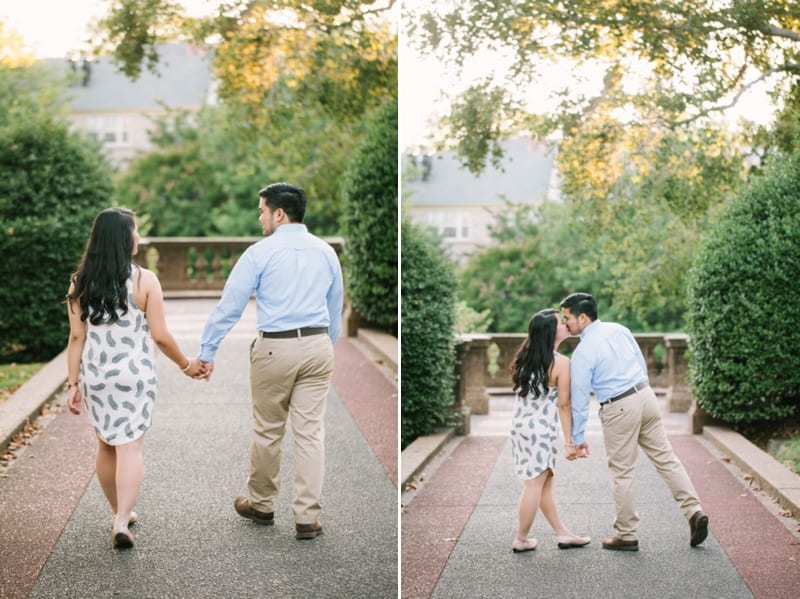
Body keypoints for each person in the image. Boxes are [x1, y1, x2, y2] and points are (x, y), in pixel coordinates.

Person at [196, 182, 343, 540]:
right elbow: (335, 306)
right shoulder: (326, 252)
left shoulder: (259, 253)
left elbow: (229, 306)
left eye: (262, 210)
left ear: (279, 213)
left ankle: (261, 504)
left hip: (275, 348)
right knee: (310, 434)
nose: (259, 216)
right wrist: (325, 345)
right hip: (317, 345)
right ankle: (307, 517)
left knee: (268, 429)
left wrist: (207, 351)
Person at [66, 208, 204, 549]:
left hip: (97, 377)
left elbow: (76, 338)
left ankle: (119, 513)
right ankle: (121, 519)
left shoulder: (79, 282)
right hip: (135, 377)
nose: (138, 237)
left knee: (106, 444)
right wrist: (186, 364)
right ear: (123, 238)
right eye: (135, 231)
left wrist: (73, 384)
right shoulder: (145, 280)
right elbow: (160, 335)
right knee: (131, 446)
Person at [559, 292, 709, 551]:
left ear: (582, 317)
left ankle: (626, 534)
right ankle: (694, 511)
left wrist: (578, 437)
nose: (565, 325)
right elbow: (641, 362)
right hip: (645, 396)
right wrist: (643, 394)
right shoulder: (619, 329)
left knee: (622, 472)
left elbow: (580, 398)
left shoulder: (583, 351)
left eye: (567, 319)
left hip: (619, 407)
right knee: (666, 459)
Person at [508, 308, 591, 553]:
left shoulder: (524, 357)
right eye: (560, 323)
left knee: (544, 484)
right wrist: (570, 442)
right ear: (550, 332)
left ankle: (563, 533)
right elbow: (564, 405)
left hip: (521, 429)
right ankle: (521, 539)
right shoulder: (561, 363)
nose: (566, 324)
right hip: (541, 432)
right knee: (533, 485)